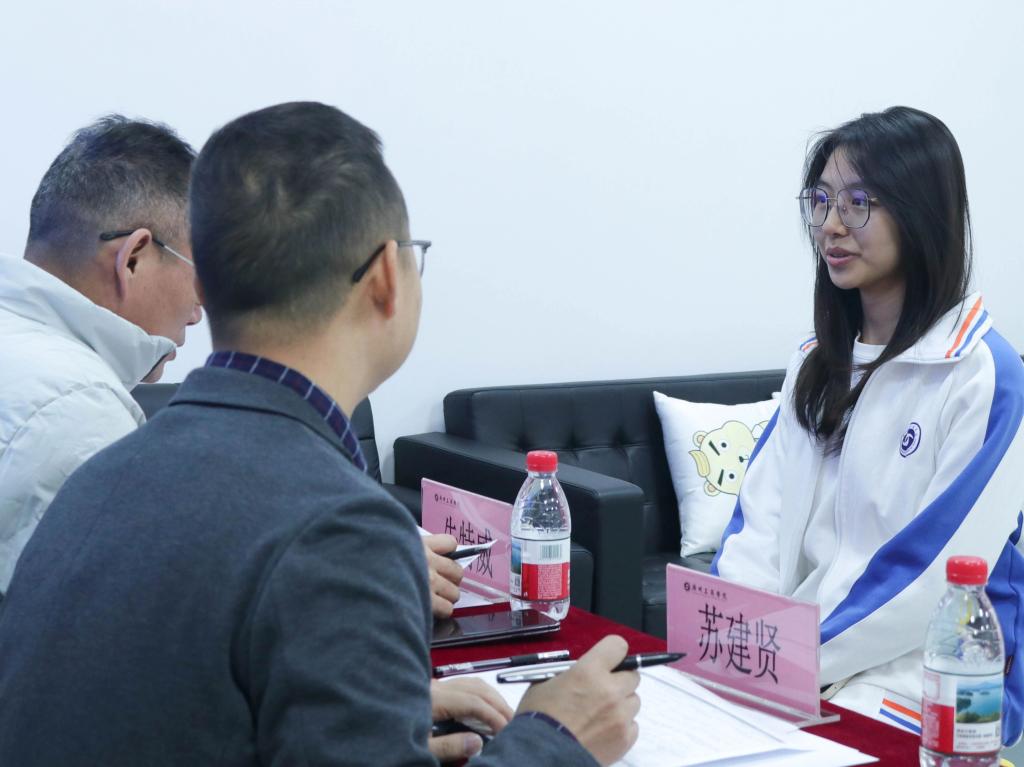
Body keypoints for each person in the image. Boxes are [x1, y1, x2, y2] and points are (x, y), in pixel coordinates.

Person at [0, 102, 641, 766]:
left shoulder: (108, 468)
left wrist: (376, 710)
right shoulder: (339, 527)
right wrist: (557, 737)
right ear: (386, 277)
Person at [712, 106, 1024, 741]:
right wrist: (737, 643)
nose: (831, 225)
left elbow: (932, 575)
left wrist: (788, 658)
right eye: (821, 200)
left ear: (920, 213)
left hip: (937, 673)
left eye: (858, 203)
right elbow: (758, 528)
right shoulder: (815, 364)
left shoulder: (983, 374)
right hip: (806, 657)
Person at [0, 115, 203, 595]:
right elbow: (110, 625)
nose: (199, 312)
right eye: (203, 274)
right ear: (132, 258)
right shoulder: (79, 410)